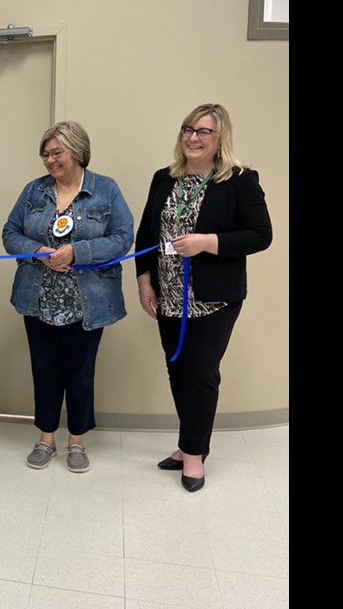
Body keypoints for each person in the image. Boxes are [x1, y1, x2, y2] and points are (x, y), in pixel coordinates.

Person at [136, 103, 272, 492]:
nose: (193, 138)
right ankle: (187, 443)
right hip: (167, 295)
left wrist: (206, 242)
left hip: (213, 300)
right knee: (177, 370)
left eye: (203, 132)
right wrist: (144, 281)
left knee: (200, 375)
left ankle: (194, 455)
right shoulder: (165, 178)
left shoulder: (239, 180)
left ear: (219, 138)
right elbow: (147, 234)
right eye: (187, 130)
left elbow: (260, 235)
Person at [2, 121, 133, 473]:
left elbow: (123, 238)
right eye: (45, 154)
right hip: (38, 299)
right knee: (44, 370)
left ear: (77, 151)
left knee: (80, 373)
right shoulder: (34, 191)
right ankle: (46, 439)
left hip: (87, 302)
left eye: (56, 153)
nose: (49, 160)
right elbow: (10, 233)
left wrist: (79, 251)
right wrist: (36, 251)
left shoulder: (105, 189)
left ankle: (76, 441)